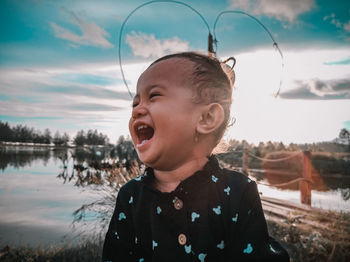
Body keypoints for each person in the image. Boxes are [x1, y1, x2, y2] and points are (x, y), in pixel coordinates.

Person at [102, 52, 289, 262]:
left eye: (154, 96)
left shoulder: (237, 192)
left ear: (207, 118)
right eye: (135, 103)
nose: (137, 110)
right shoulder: (131, 196)